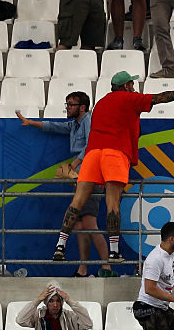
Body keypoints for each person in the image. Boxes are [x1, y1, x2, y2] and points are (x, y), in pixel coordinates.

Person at [51, 73, 174, 262]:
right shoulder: (130, 98)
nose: (134, 87)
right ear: (125, 86)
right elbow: (161, 98)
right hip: (114, 154)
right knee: (113, 203)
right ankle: (114, 252)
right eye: (132, 84)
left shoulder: (101, 103)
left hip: (93, 154)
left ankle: (60, 246)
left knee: (76, 202)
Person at [17, 93, 110, 277]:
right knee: (81, 226)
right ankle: (83, 269)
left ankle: (106, 267)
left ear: (82, 107)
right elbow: (55, 126)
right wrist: (31, 122)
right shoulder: (75, 124)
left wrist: (73, 165)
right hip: (80, 178)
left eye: (70, 104)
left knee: (90, 224)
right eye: (66, 104)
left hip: (90, 177)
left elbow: (92, 145)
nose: (67, 107)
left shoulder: (88, 121)